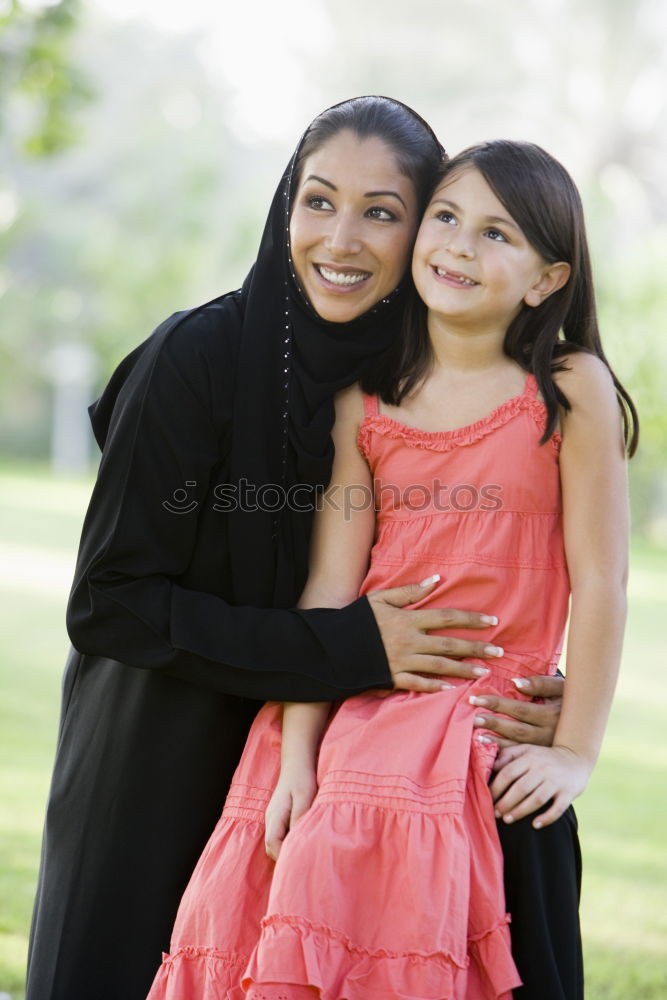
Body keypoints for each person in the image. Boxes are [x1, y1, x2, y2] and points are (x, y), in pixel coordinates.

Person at [26, 99, 569, 1000]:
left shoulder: (426, 387)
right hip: (161, 765)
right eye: (317, 202)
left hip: (348, 778)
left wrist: (535, 698)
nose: (341, 239)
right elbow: (109, 600)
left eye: (382, 213)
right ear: (285, 208)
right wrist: (347, 648)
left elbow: (512, 556)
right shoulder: (196, 357)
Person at [145, 139, 638, 1000]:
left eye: (496, 233)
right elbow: (332, 594)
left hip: (478, 723)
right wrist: (297, 754)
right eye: (444, 217)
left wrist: (573, 752)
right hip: (351, 718)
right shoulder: (364, 403)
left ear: (545, 280)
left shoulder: (567, 390)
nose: (456, 245)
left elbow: (602, 581)